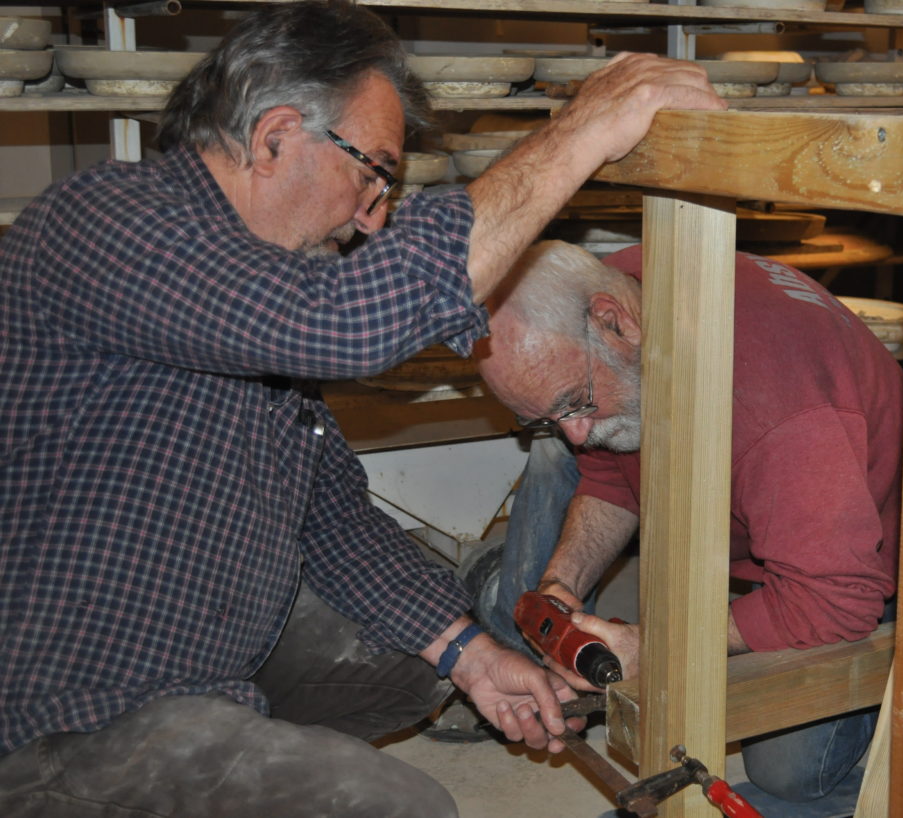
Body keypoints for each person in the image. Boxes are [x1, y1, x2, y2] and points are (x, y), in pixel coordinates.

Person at [0, 1, 725, 815]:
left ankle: (231, 747)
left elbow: (332, 515)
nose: (373, 216)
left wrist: (474, 657)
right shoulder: (105, 223)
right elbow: (350, 326)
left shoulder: (250, 290)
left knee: (416, 657)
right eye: (373, 171)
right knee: (404, 807)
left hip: (194, 655)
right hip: (66, 712)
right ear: (275, 137)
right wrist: (583, 129)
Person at [469, 240, 903, 815]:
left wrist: (661, 648)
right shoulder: (631, 285)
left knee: (788, 776)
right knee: (566, 452)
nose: (575, 434)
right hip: (780, 518)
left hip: (860, 570)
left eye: (575, 403)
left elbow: (835, 601)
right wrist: (561, 587)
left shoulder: (776, 407)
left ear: (613, 321)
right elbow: (612, 476)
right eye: (549, 417)